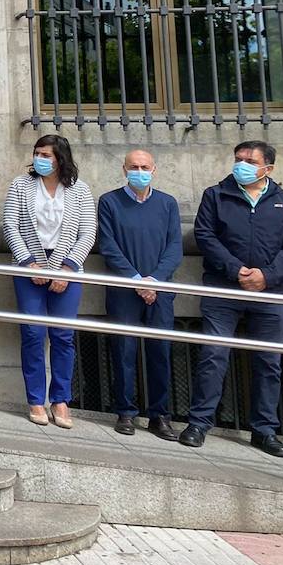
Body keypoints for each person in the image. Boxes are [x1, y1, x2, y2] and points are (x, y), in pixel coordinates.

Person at [180, 141, 283, 458]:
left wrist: (267, 276)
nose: (241, 164)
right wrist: (236, 270)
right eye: (238, 159)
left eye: (250, 160)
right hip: (223, 289)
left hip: (270, 294)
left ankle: (265, 431)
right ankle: (199, 423)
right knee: (213, 356)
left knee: (269, 363)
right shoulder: (216, 195)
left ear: (268, 169)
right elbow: (205, 235)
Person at [2, 134, 96, 429]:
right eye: (37, 153)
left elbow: (88, 231)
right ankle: (35, 399)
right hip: (29, 266)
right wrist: (29, 262)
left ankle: (61, 400)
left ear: (60, 158)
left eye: (46, 154)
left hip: (67, 267)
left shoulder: (79, 190)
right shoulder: (21, 185)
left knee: (63, 336)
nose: (40, 159)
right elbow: (10, 225)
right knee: (32, 332)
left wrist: (66, 268)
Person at [97, 149, 182, 441]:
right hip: (124, 289)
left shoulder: (168, 204)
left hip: (161, 289)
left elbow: (175, 248)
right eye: (134, 166)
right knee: (124, 350)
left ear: (154, 169)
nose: (139, 171)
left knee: (160, 351)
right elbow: (108, 246)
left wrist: (154, 280)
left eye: (145, 166)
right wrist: (136, 280)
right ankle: (126, 411)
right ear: (124, 169)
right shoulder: (109, 202)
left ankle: (160, 415)